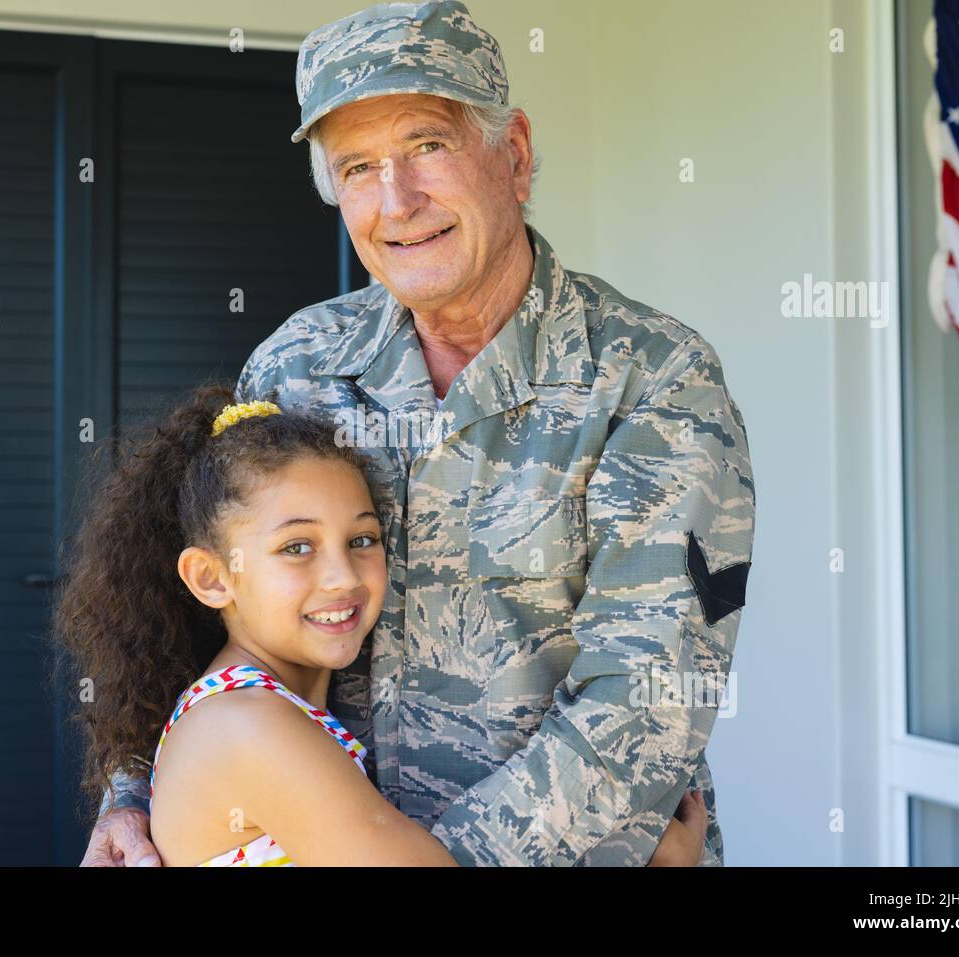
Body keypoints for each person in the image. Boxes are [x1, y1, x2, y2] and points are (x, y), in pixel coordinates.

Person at [84, 0, 753, 867]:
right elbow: (205, 606)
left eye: (427, 146)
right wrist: (134, 795)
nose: (395, 199)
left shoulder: (652, 378)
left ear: (512, 155)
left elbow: (648, 698)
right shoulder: (298, 363)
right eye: (357, 166)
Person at [56, 384, 708, 866]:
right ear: (211, 577)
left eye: (362, 538)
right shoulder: (246, 727)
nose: (343, 575)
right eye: (297, 547)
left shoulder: (264, 710)